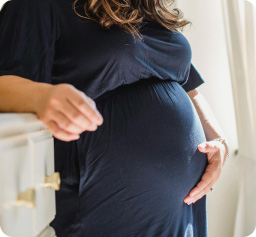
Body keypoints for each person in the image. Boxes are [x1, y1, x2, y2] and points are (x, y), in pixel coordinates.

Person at [0, 0, 229, 236]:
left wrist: (219, 142)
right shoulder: (38, 6)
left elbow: (188, 87)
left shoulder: (147, 9)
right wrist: (41, 96)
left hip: (182, 208)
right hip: (101, 202)